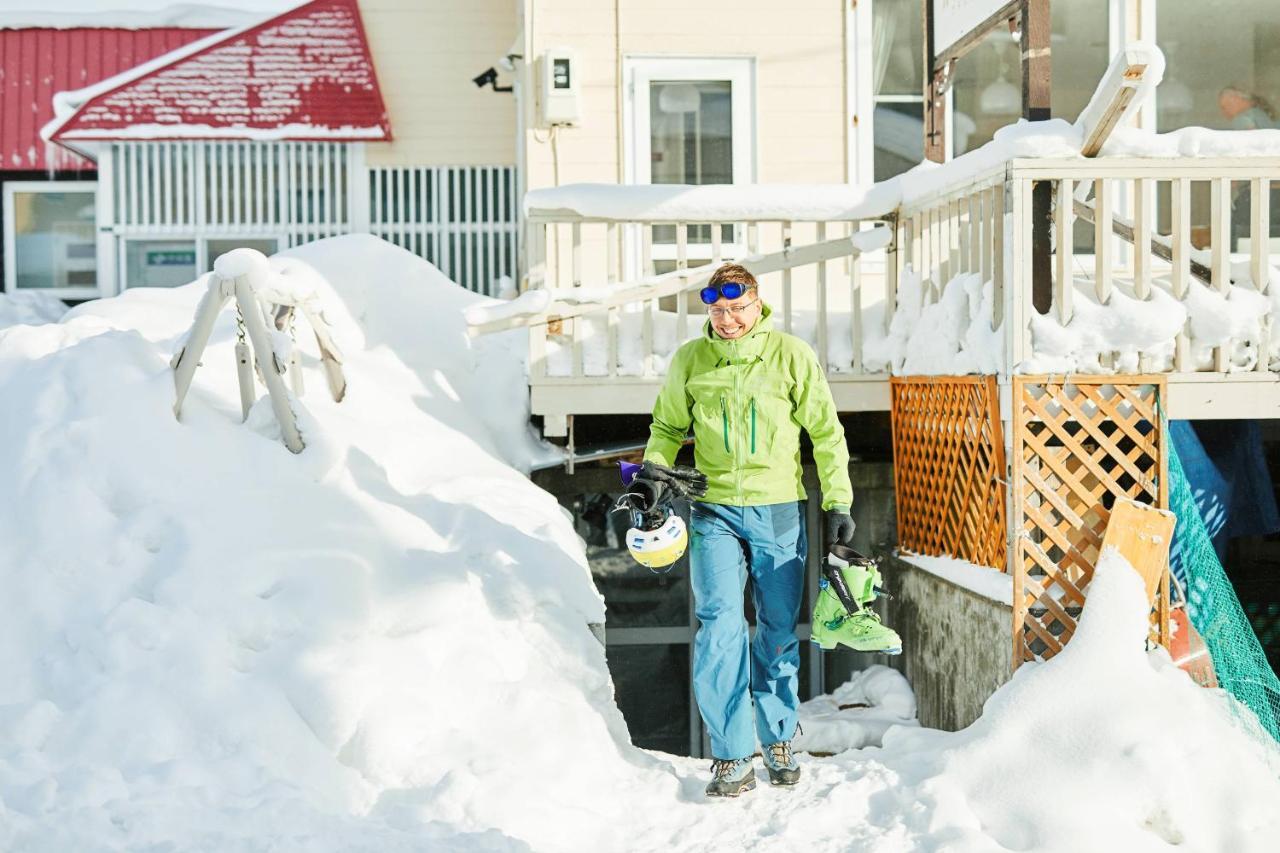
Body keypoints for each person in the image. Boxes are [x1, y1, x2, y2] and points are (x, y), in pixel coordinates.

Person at [636, 262, 854, 798]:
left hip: (778, 508)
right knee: (719, 626)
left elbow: (826, 432)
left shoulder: (790, 356)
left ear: (758, 305)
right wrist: (651, 478)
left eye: (737, 308)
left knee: (777, 627)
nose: (728, 319)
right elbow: (666, 428)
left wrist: (839, 501)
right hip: (712, 509)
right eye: (717, 309)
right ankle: (732, 755)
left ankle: (778, 738)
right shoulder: (691, 359)